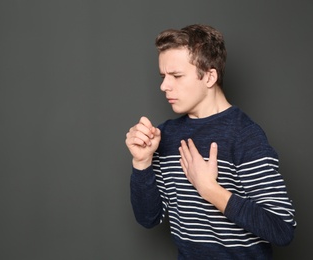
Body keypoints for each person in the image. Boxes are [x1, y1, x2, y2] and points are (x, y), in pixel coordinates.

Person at [125, 24, 296, 259]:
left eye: (176, 75)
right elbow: (148, 219)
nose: (164, 86)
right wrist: (141, 162)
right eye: (163, 76)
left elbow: (282, 228)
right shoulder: (164, 136)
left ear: (209, 76)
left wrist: (210, 189)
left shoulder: (245, 135)